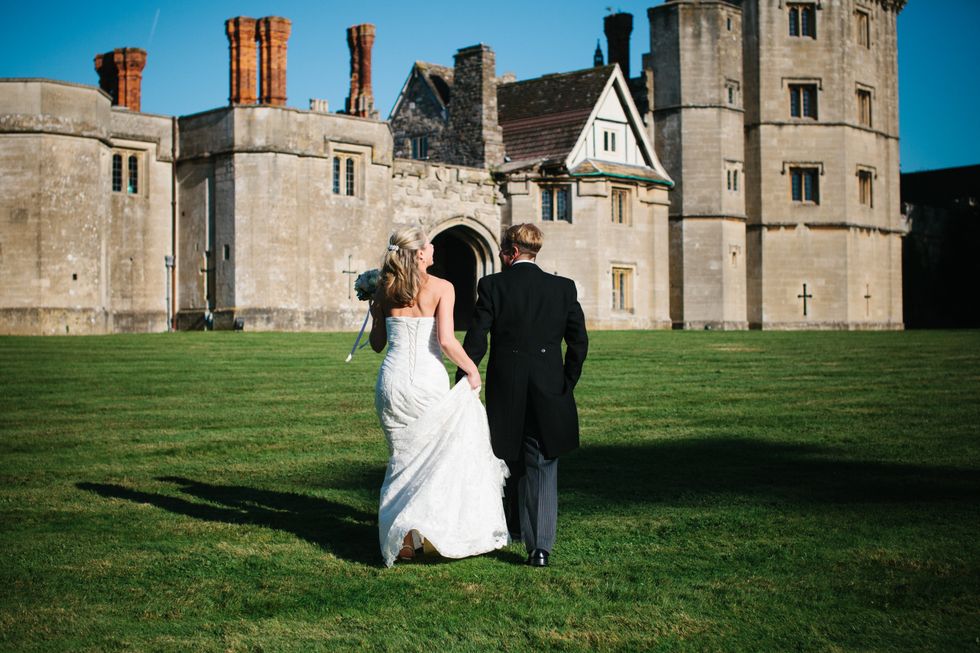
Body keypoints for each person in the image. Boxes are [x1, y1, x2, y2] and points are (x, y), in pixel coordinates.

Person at [369, 226, 509, 567]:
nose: (433, 248)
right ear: (419, 253)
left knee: (401, 457)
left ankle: (405, 535)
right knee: (430, 457)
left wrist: (375, 313)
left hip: (392, 381)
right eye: (429, 245)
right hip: (427, 380)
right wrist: (471, 369)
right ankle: (415, 533)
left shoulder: (384, 289)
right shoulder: (442, 287)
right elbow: (446, 341)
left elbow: (377, 345)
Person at [456, 223, 588, 567]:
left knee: (508, 453)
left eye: (503, 251)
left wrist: (462, 379)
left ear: (513, 252)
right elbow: (579, 342)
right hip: (549, 385)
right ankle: (540, 547)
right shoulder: (563, 287)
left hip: (506, 384)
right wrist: (566, 382)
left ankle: (513, 525)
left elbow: (477, 338)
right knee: (541, 461)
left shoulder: (492, 286)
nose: (501, 256)